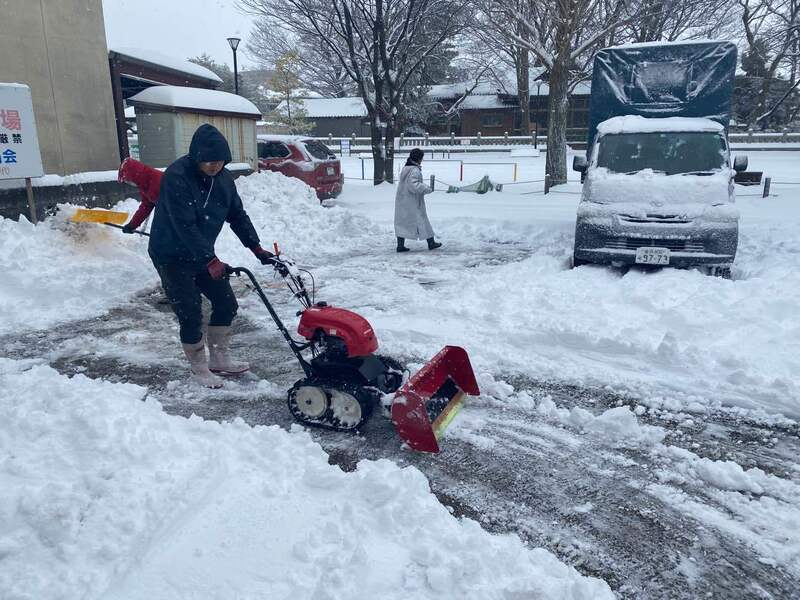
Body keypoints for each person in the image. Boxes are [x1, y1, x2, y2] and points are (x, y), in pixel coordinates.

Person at [148, 124, 277, 388]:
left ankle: (219, 358)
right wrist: (210, 259)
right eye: (208, 162)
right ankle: (198, 367)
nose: (213, 167)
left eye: (219, 162)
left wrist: (256, 247)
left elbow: (237, 216)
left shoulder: (224, 181)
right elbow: (184, 225)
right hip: (170, 254)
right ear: (196, 157)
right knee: (190, 310)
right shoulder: (177, 176)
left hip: (201, 253)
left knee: (226, 302)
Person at [394, 148, 441, 252]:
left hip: (403, 200)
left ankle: (400, 245)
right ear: (419, 158)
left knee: (402, 223)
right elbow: (413, 185)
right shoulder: (414, 170)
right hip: (413, 202)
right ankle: (431, 243)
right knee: (423, 221)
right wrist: (426, 188)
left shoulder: (406, 168)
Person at [117, 157, 162, 233]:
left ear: (134, 176)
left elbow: (170, 208)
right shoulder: (144, 184)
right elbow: (146, 207)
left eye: (128, 180)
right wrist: (132, 225)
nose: (130, 183)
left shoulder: (157, 181)